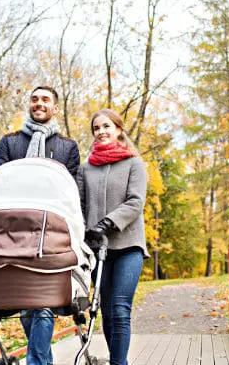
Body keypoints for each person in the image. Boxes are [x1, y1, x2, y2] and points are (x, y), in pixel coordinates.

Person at [0, 85, 80, 365]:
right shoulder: (9, 143)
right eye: (34, 99)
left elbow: (74, 192)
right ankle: (43, 361)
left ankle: (37, 362)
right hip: (14, 233)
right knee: (26, 303)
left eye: (45, 100)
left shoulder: (68, 147)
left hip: (51, 233)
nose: (39, 104)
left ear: (55, 108)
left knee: (42, 302)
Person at [76, 109, 148, 365]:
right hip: (98, 251)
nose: (101, 131)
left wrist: (106, 224)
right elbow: (80, 206)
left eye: (106, 126)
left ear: (118, 129)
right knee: (105, 310)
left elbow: (135, 202)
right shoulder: (85, 169)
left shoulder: (134, 163)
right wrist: (85, 231)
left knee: (119, 309)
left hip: (128, 246)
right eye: (96, 128)